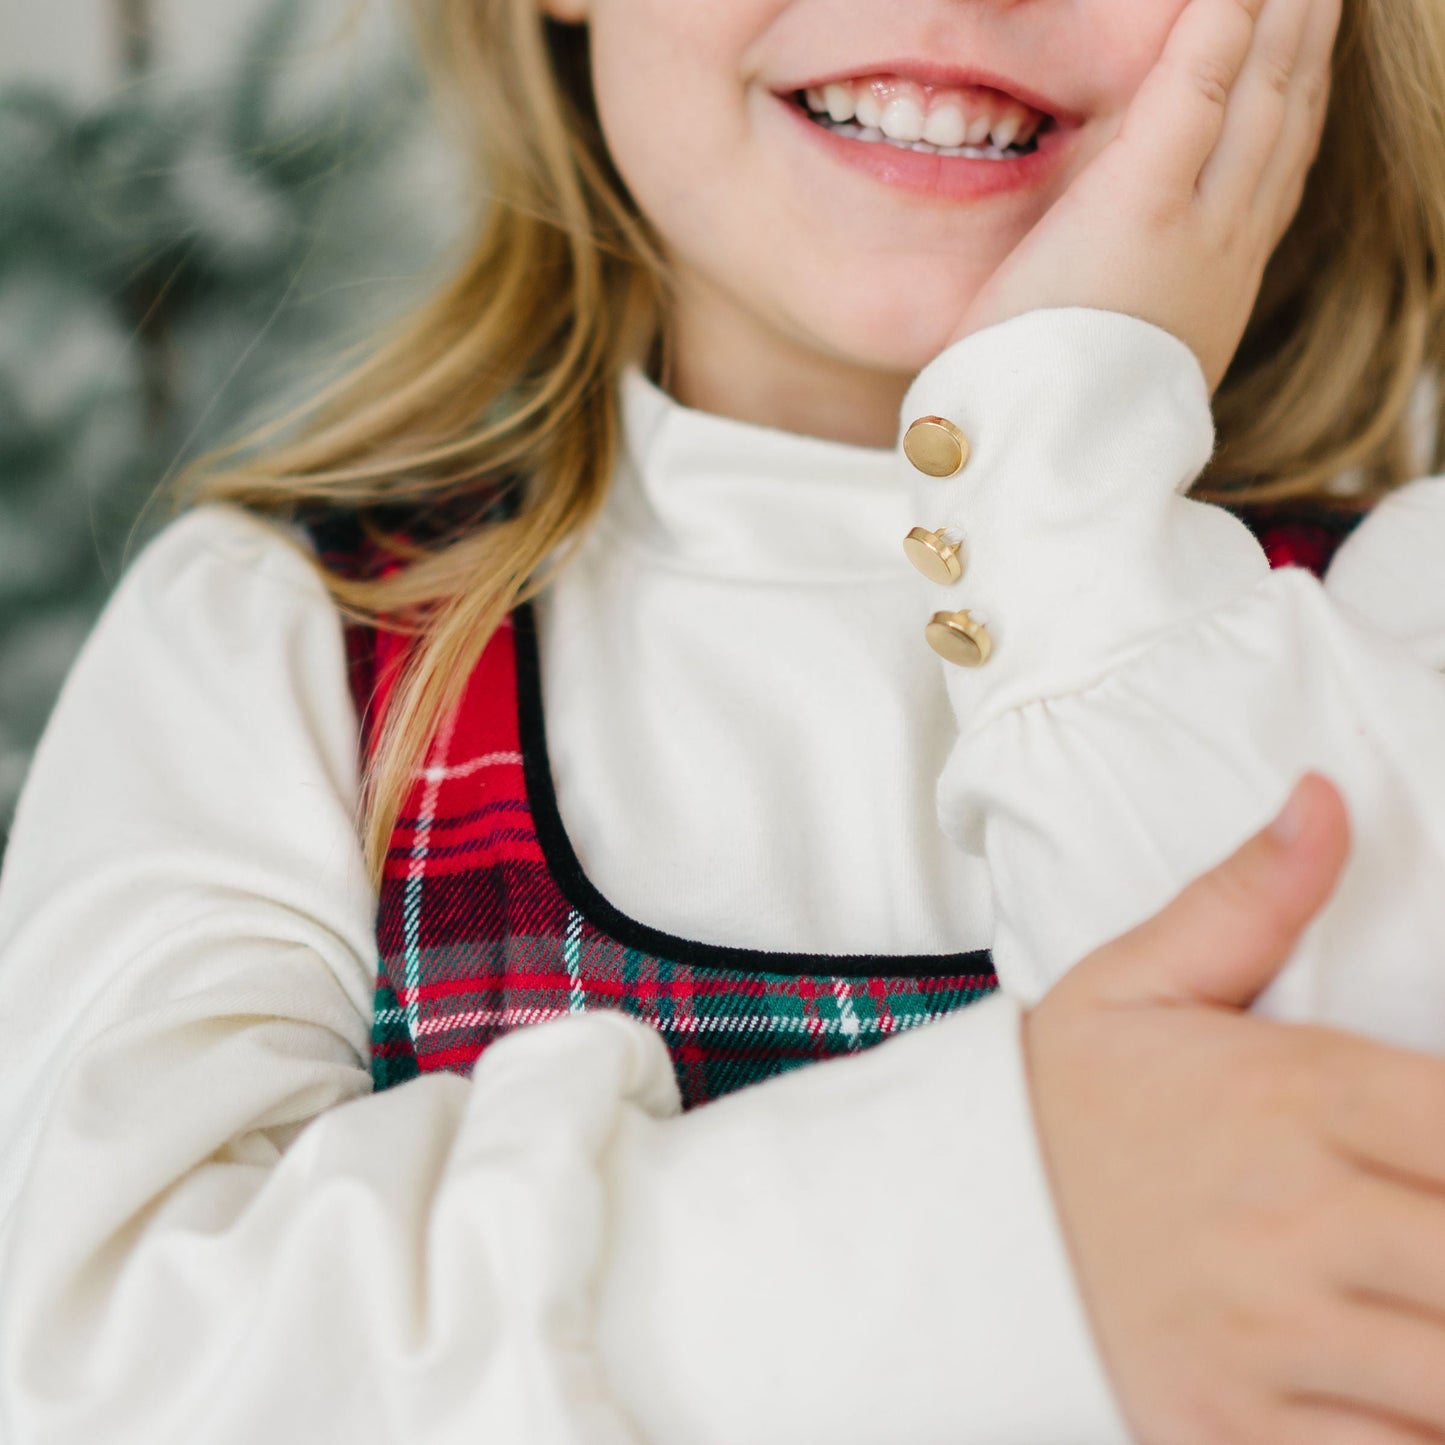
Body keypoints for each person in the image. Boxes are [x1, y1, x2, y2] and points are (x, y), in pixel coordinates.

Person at [3, 0, 1445, 1441]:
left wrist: (1070, 471)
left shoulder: (1401, 622)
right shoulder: (274, 645)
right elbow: (91, 1374)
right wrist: (986, 1240)